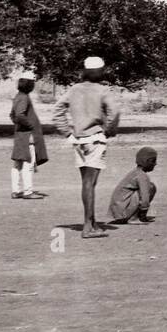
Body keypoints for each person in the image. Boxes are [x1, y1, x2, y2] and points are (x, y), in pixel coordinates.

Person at [54, 56, 121, 239]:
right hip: (95, 140)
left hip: (78, 140)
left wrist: (67, 132)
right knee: (90, 183)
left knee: (86, 183)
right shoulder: (103, 90)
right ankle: (88, 226)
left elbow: (58, 110)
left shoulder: (73, 90)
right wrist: (109, 130)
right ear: (100, 71)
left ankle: (90, 223)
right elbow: (114, 112)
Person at [9, 74, 48, 199]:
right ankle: (27, 191)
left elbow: (13, 115)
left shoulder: (17, 97)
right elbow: (20, 115)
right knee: (28, 163)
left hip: (20, 134)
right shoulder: (24, 98)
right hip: (28, 135)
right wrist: (31, 126)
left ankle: (16, 190)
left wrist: (19, 125)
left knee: (17, 163)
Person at [108, 146, 157, 223]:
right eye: (153, 161)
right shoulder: (142, 176)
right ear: (147, 161)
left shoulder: (135, 172)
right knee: (150, 187)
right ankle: (134, 218)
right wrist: (143, 215)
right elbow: (145, 198)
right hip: (123, 212)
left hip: (119, 211)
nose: (155, 164)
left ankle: (132, 216)